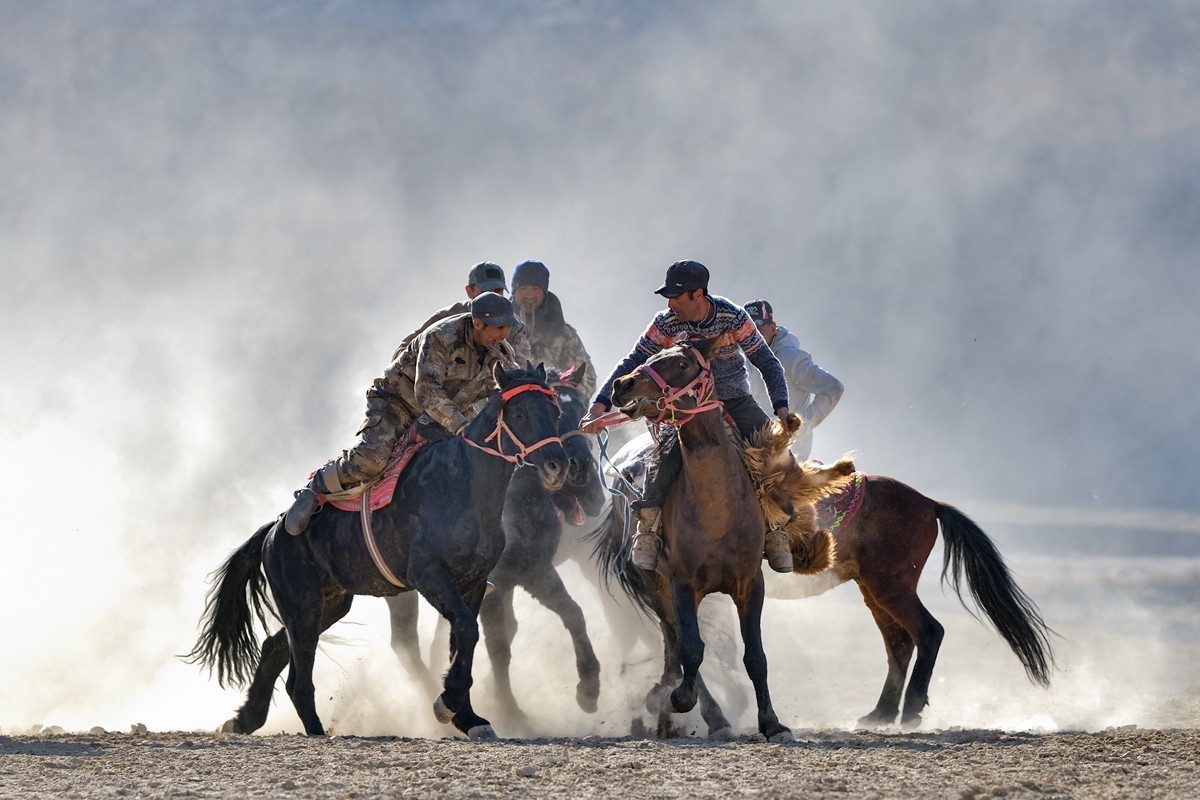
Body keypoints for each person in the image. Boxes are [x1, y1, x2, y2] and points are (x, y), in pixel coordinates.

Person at [580, 260, 794, 572]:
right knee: (662, 460)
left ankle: (778, 532)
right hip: (681, 408)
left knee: (778, 459)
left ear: (697, 294)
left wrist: (781, 407)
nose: (670, 303)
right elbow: (634, 360)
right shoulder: (666, 323)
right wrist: (598, 407)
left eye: (676, 296)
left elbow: (766, 361)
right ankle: (649, 532)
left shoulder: (733, 317)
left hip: (732, 399)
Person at [284, 292, 521, 536]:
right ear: (478, 323)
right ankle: (316, 487)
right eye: (500, 327)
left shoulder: (501, 350)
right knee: (370, 460)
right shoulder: (441, 337)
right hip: (398, 401)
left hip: (447, 410)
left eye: (507, 327)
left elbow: (506, 385)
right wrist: (461, 426)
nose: (505, 334)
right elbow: (427, 390)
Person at [743, 299, 843, 462]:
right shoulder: (740, 358)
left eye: (758, 330)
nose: (752, 338)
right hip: (752, 449)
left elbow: (833, 388)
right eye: (747, 331)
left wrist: (800, 428)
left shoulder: (790, 359)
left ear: (772, 328)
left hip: (789, 455)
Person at [392, 261, 530, 362]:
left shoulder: (515, 326)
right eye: (485, 292)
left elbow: (520, 368)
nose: (492, 297)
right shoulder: (447, 318)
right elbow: (404, 349)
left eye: (498, 291)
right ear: (469, 291)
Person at [510, 260, 597, 399]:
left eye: (536, 288)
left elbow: (588, 378)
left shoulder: (563, 333)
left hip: (551, 409)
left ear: (544, 293)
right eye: (523, 288)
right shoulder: (498, 327)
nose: (529, 295)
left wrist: (567, 399)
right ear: (514, 292)